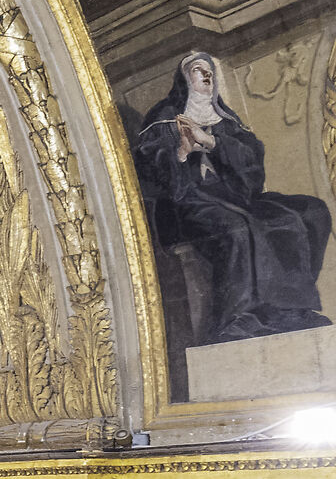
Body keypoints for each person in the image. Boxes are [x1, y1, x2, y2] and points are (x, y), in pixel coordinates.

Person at [136, 50, 332, 344]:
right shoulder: (164, 119)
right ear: (184, 79)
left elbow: (252, 161)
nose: (206, 76)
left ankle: (289, 309)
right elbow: (152, 168)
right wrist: (181, 154)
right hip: (187, 201)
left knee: (309, 213)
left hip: (234, 196)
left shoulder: (224, 118)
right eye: (198, 71)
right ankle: (237, 317)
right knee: (237, 229)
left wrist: (213, 142)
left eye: (209, 72)